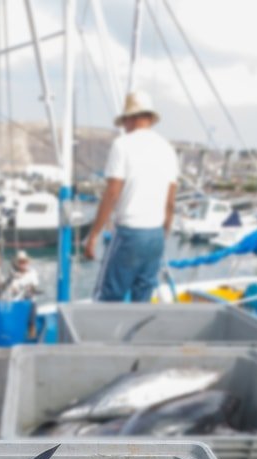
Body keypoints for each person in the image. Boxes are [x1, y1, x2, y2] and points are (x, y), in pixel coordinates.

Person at [84, 90, 179, 302]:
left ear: (132, 118)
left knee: (107, 297)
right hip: (155, 235)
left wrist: (93, 235)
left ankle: (102, 336)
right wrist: (164, 233)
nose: (124, 126)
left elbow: (112, 192)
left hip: (129, 233)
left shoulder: (123, 144)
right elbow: (170, 201)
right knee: (142, 298)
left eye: (125, 120)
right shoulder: (167, 149)